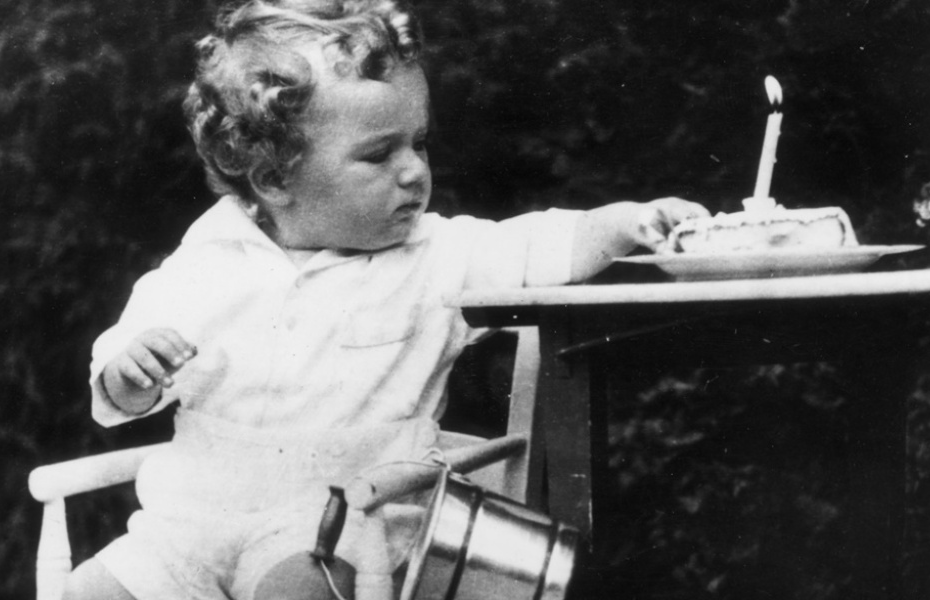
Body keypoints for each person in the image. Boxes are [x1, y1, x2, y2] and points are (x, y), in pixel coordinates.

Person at [63, 1, 710, 599]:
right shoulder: (207, 261)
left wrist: (625, 222)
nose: (413, 171)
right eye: (378, 155)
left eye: (418, 142)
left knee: (302, 587)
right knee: (92, 591)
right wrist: (131, 374)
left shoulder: (435, 255)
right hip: (190, 523)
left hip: (340, 521)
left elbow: (540, 244)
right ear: (274, 178)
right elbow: (125, 370)